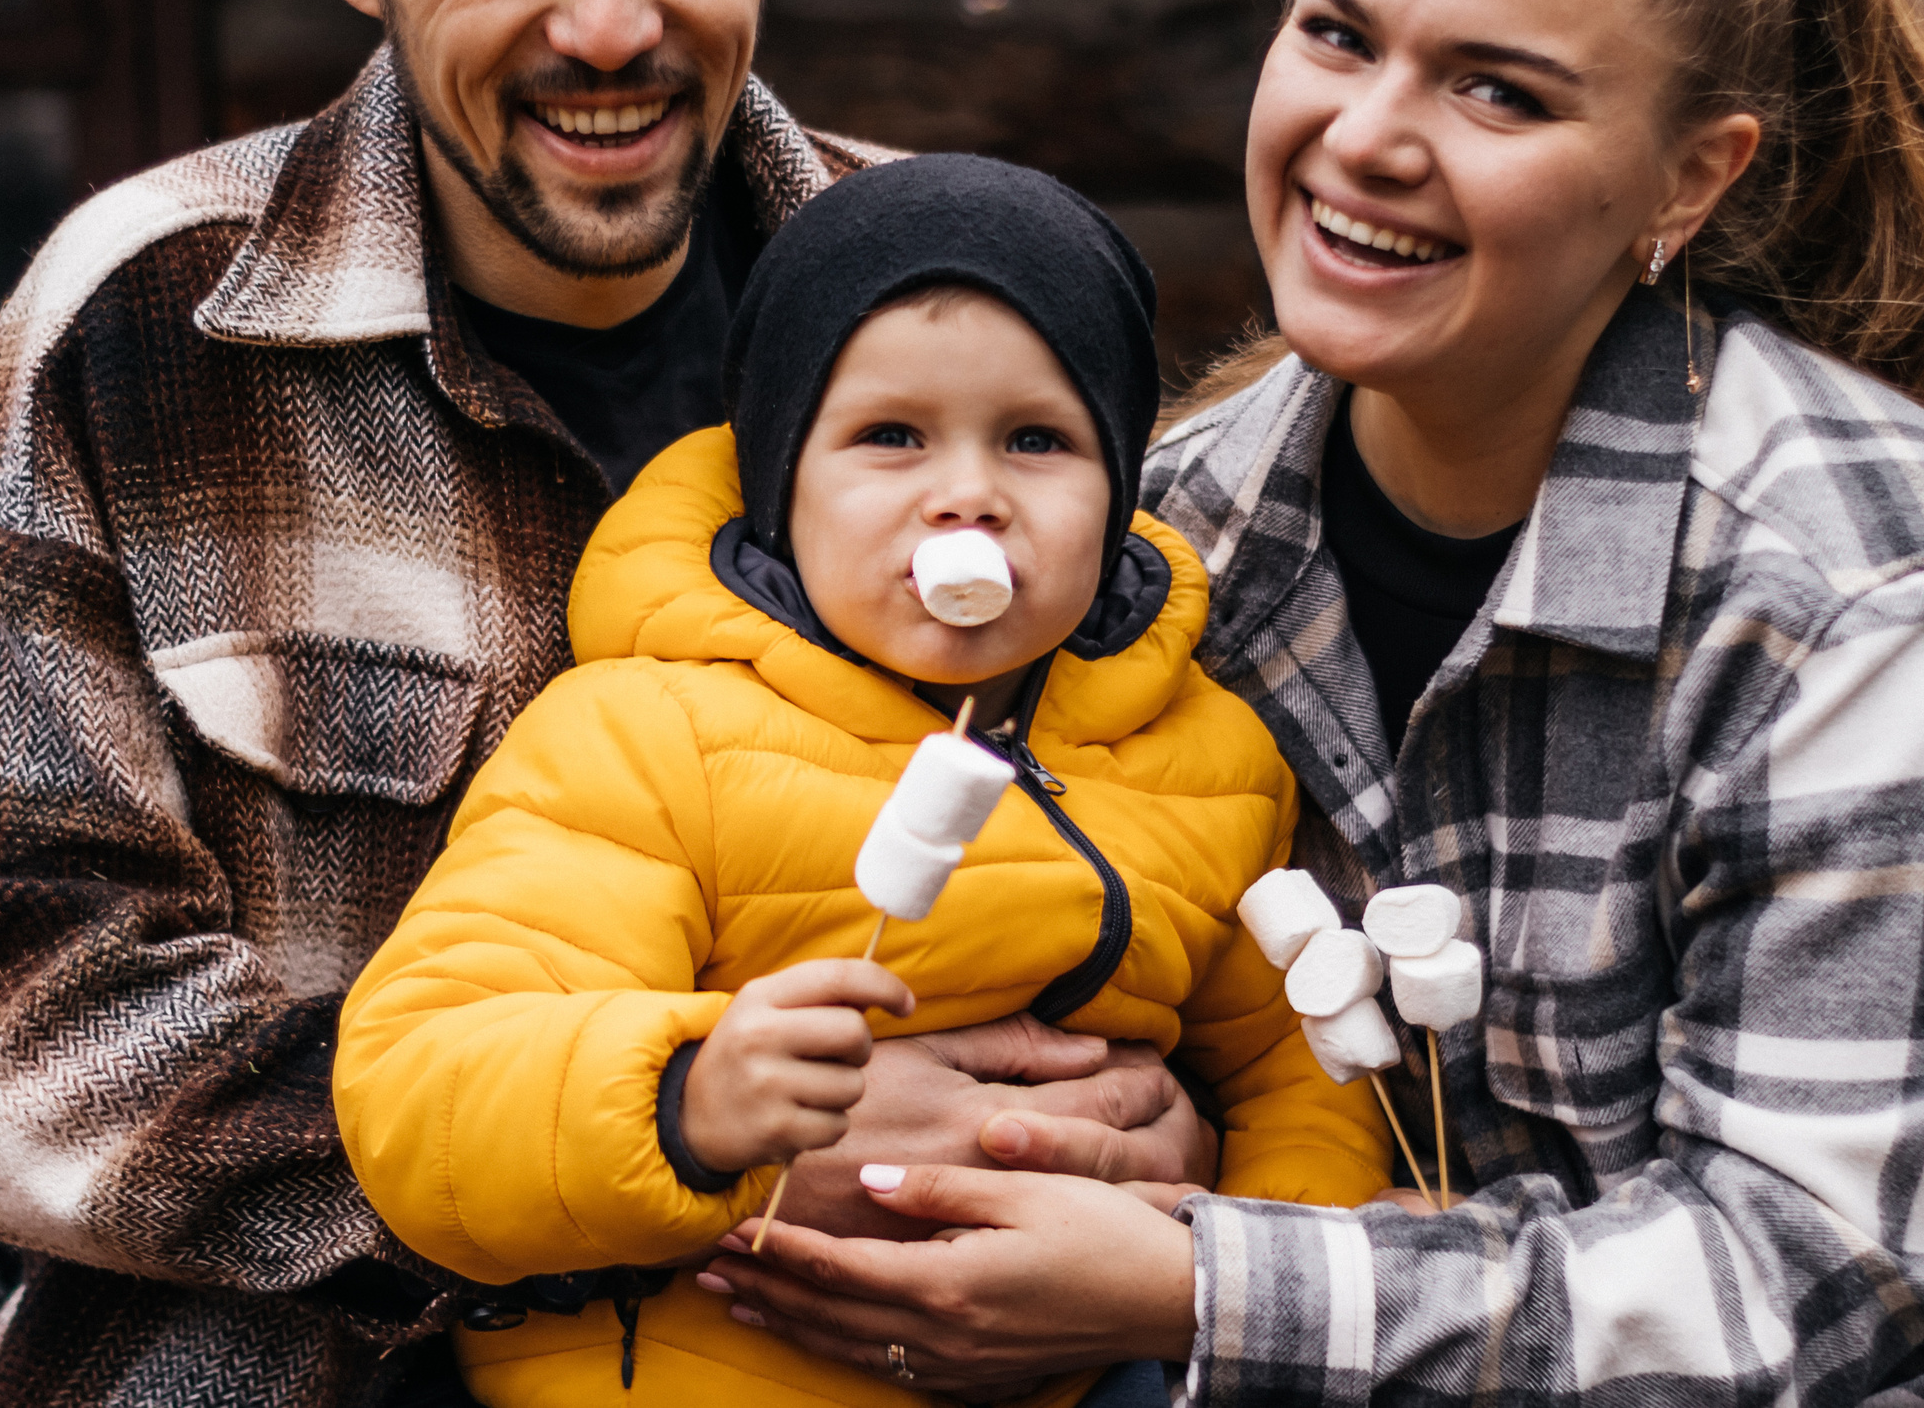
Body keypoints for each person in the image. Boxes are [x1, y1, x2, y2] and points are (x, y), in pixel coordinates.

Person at [697, 0, 1924, 1401]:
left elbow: (1792, 1284)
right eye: (1336, 34)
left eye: (1497, 90)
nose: (1369, 133)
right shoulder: (1181, 546)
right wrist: (1135, 1131)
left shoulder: (1878, 599)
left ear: (1687, 182)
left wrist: (1204, 1278)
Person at [0, 0, 1214, 1406]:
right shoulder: (136, 327)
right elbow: (19, 1030)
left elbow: (1165, 787)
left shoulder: (972, 314)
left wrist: (1161, 1131)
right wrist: (674, 1150)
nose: (609, 21)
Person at [332, 154, 1391, 1408]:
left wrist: (1240, 1265)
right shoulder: (647, 735)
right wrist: (685, 1096)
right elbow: (421, 1081)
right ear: (783, 484)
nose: (967, 497)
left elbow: (1290, 1073)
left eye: (1037, 440)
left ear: (1117, 494)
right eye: (889, 436)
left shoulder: (1207, 761)